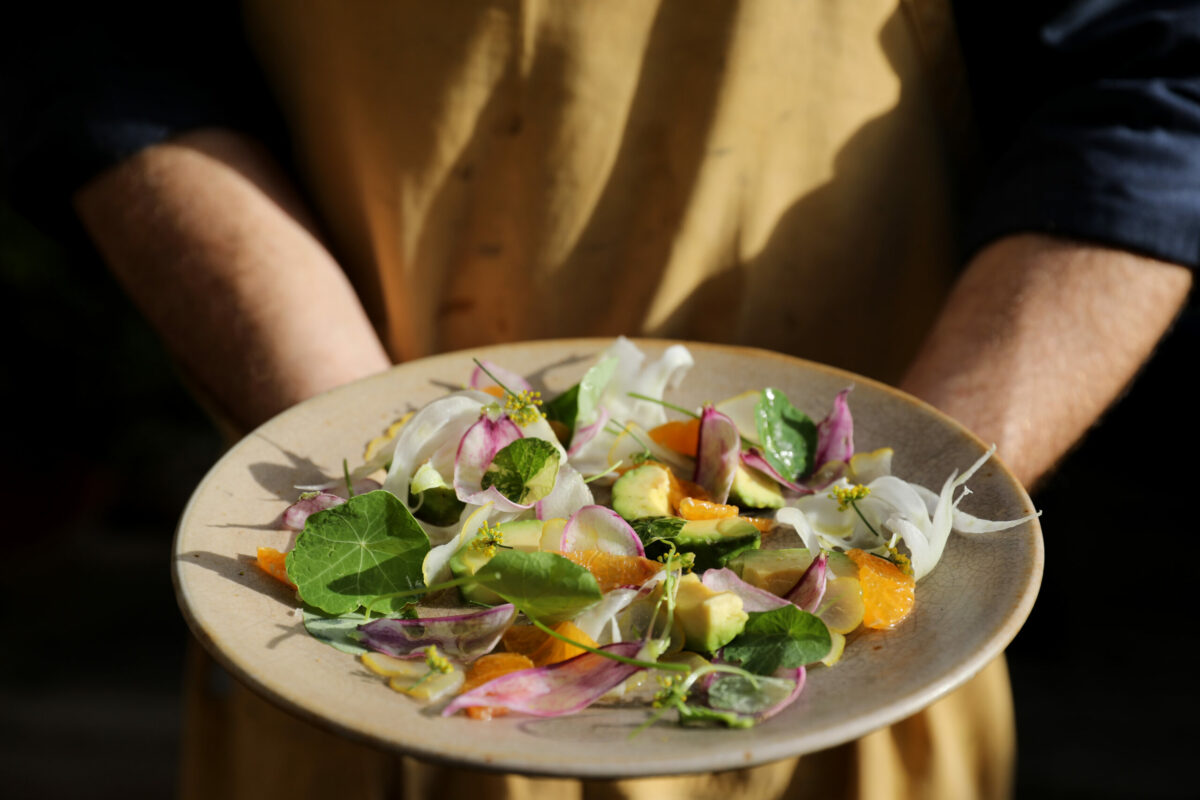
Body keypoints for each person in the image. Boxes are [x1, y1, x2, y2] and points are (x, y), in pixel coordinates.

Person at [5, 1, 1195, 798]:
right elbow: (110, 40)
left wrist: (906, 505)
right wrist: (363, 476)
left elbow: (1151, 70)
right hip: (346, 685)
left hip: (858, 701)